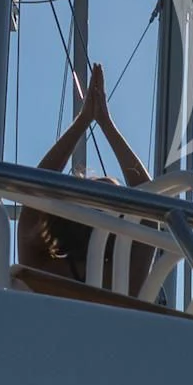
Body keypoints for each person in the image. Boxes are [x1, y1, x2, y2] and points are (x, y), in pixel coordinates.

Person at [14, 64, 158, 294]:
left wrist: (83, 122)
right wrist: (106, 125)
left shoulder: (43, 269)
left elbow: (34, 194)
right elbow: (151, 207)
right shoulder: (123, 280)